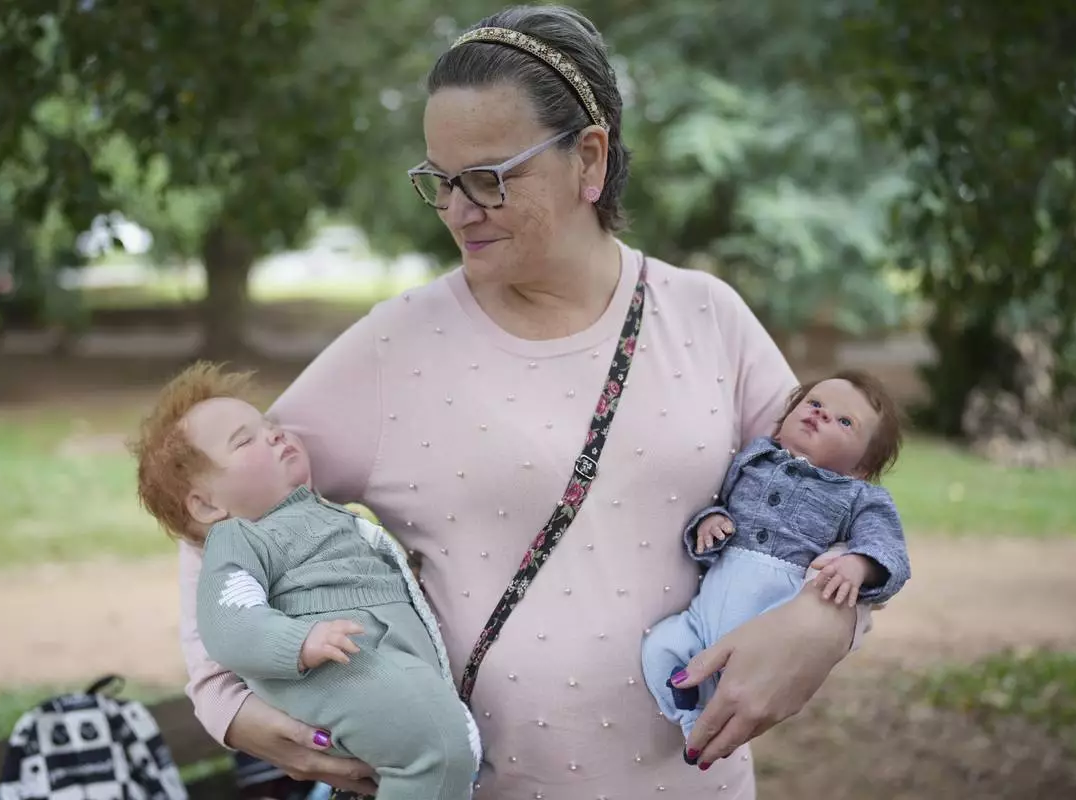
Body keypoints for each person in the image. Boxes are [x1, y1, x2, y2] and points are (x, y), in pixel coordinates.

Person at [177, 5, 878, 797]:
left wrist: (828, 623)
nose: (457, 210)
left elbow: (844, 504)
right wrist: (229, 704)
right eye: (438, 182)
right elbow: (222, 521)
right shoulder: (393, 347)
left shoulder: (707, 317)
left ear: (589, 157)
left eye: (489, 178)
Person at [131, 363, 480, 799]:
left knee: (443, 750)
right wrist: (296, 643)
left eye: (270, 426)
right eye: (245, 440)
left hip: (379, 658)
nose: (274, 435)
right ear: (206, 507)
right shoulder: (237, 539)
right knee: (436, 751)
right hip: (330, 666)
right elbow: (229, 622)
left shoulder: (327, 514)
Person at [642, 371, 911, 742]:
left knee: (745, 680)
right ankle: (688, 714)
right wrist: (711, 522)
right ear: (784, 419)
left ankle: (709, 717)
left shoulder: (859, 497)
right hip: (706, 611)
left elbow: (889, 551)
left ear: (861, 468)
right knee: (660, 646)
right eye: (814, 403)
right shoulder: (754, 458)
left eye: (845, 421)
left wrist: (859, 564)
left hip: (775, 611)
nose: (821, 414)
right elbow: (722, 504)